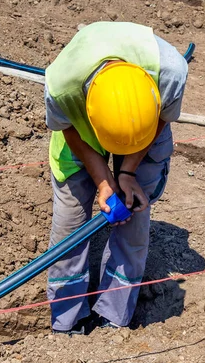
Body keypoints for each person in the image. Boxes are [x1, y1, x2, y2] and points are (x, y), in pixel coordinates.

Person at [44, 21, 188, 334]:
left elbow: (160, 120)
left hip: (145, 126)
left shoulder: (170, 73)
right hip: (79, 132)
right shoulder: (61, 85)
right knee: (69, 229)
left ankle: (115, 315)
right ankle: (67, 321)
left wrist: (127, 171)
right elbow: (68, 129)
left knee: (134, 221)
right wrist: (102, 180)